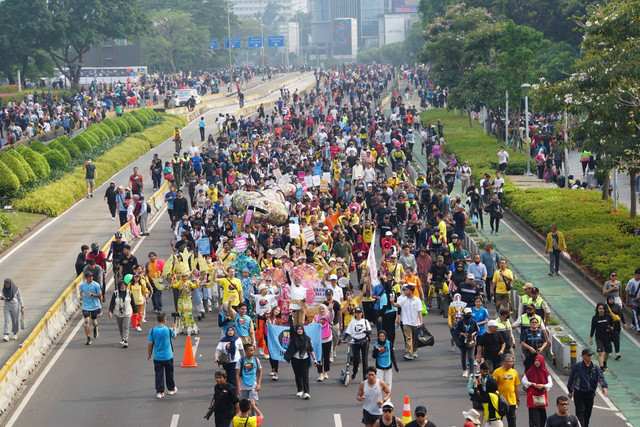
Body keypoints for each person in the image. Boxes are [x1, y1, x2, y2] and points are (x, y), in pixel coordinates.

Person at [567, 348, 608, 427]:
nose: (590, 357)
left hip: (590, 394)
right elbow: (572, 379)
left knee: (587, 414)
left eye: (591, 355)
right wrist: (570, 391)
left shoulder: (595, 368)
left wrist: (604, 387)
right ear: (583, 356)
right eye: (588, 355)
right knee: (580, 414)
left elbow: (601, 377)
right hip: (580, 393)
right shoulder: (577, 367)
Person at [147, 312, 178, 399]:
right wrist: (175, 328)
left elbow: (150, 343)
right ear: (165, 320)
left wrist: (149, 354)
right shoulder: (168, 330)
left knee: (158, 374)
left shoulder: (152, 331)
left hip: (157, 357)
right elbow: (174, 336)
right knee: (169, 373)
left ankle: (160, 391)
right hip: (168, 356)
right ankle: (171, 389)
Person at [283, 324, 318, 399]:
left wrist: (314, 359)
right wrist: (290, 317)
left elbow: (311, 349)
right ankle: (300, 390)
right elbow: (291, 328)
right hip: (295, 359)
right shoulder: (294, 338)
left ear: (303, 330)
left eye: (301, 329)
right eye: (298, 329)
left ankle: (306, 392)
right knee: (297, 375)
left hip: (305, 359)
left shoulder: (307, 339)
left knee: (305, 375)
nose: (299, 330)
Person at [522, 354, 553, 427]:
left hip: (541, 397)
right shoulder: (530, 371)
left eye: (539, 361)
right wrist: (531, 384)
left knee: (543, 418)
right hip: (532, 398)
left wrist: (544, 386)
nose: (537, 362)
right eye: (536, 360)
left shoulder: (545, 372)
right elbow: (524, 380)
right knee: (534, 420)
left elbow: (550, 383)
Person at [396, 284, 423, 360]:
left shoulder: (417, 300)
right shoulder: (403, 299)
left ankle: (414, 351)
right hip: (406, 322)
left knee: (415, 339)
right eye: (404, 290)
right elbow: (396, 305)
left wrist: (421, 322)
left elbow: (419, 312)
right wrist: (392, 302)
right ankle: (409, 353)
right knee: (408, 338)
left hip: (415, 322)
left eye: (406, 290)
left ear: (411, 291)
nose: (405, 291)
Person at [108, 280, 137, 348]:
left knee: (125, 327)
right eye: (121, 285)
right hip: (118, 313)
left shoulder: (129, 293)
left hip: (127, 313)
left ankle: (126, 340)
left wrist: (136, 312)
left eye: (124, 285)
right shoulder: (115, 293)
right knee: (120, 327)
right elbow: (112, 303)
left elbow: (133, 303)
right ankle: (123, 339)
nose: (123, 287)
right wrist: (110, 311)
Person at [345, 306, 372, 380]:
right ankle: (355, 371)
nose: (358, 314)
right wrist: (343, 339)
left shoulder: (365, 321)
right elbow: (348, 332)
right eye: (357, 313)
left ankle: (365, 375)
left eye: (359, 313)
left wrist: (365, 331)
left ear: (361, 313)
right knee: (355, 359)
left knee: (365, 359)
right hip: (355, 342)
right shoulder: (352, 322)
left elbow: (370, 331)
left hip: (364, 341)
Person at [492, 354, 519, 427]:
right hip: (500, 401)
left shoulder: (514, 372)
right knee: (498, 421)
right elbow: (493, 386)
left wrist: (517, 399)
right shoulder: (497, 372)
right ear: (504, 362)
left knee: (512, 420)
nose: (511, 363)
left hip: (511, 401)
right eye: (509, 361)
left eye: (512, 361)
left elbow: (516, 386)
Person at [78, 271, 102, 345]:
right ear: (86, 278)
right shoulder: (82, 285)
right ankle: (88, 338)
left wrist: (92, 294)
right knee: (86, 321)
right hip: (86, 306)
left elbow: (100, 294)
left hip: (94, 305)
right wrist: (81, 296)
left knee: (94, 321)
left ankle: (95, 327)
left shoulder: (96, 285)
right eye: (89, 277)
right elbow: (81, 292)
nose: (91, 278)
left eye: (92, 276)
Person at [589, 302, 614, 370]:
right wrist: (591, 337)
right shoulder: (595, 318)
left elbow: (612, 325)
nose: (601, 310)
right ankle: (601, 367)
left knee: (607, 352)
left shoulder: (608, 316)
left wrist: (610, 329)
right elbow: (593, 328)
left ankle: (605, 362)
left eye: (602, 308)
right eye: (599, 308)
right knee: (600, 353)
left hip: (607, 337)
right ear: (597, 309)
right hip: (599, 338)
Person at [457, 307, 479, 377]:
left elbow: (477, 330)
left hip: (471, 341)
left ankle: (472, 372)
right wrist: (463, 334)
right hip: (462, 341)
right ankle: (464, 369)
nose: (469, 314)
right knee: (463, 356)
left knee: (471, 357)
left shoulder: (473, 321)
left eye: (470, 313)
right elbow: (457, 331)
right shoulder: (460, 322)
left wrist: (472, 334)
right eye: (467, 313)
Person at [313, 304, 332, 381]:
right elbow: (313, 327)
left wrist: (331, 309)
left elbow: (332, 317)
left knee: (326, 356)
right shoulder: (316, 317)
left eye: (323, 309)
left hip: (327, 339)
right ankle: (320, 373)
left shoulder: (328, 316)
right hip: (319, 340)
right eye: (320, 309)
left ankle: (325, 372)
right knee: (319, 357)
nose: (322, 310)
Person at [605, 294, 625, 361]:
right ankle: (609, 351)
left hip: (616, 325)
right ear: (607, 300)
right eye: (610, 299)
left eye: (612, 299)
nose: (611, 300)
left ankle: (617, 353)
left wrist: (624, 323)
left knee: (616, 339)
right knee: (608, 338)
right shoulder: (605, 307)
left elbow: (621, 315)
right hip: (608, 325)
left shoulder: (617, 306)